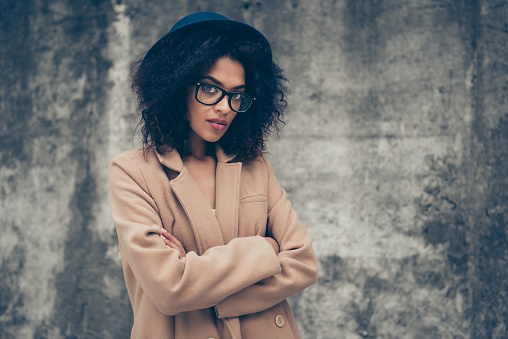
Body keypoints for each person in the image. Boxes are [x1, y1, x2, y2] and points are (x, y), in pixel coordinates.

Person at [108, 12, 318, 339]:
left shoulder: (255, 165)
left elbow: (303, 264)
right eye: (210, 88)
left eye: (238, 95)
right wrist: (264, 249)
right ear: (176, 85)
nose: (225, 107)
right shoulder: (132, 172)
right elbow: (169, 289)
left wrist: (200, 279)